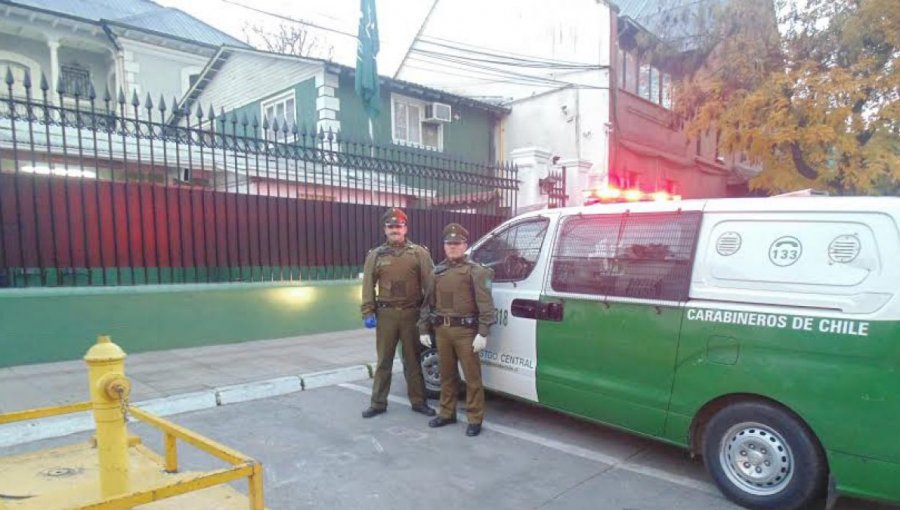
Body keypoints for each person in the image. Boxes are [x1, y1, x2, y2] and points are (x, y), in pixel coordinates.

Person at [418, 223, 495, 437]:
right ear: (444, 246)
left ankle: (475, 418)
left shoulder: (475, 271)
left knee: (472, 378)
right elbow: (428, 303)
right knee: (447, 376)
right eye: (449, 244)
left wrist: (483, 332)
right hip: (442, 331)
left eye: (457, 243)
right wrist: (423, 328)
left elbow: (486, 304)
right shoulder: (437, 272)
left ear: (465, 245)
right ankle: (446, 412)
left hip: (465, 333)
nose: (453, 247)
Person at [360, 208, 436, 418]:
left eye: (398, 226)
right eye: (391, 226)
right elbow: (368, 285)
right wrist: (368, 310)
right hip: (386, 316)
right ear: (385, 229)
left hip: (412, 315)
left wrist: (427, 315)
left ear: (405, 228)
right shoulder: (376, 255)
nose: (395, 229)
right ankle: (378, 403)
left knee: (412, 361)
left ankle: (419, 402)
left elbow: (430, 286)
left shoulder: (419, 253)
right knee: (384, 361)